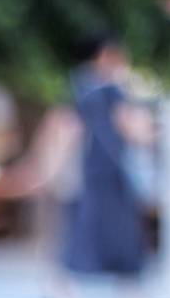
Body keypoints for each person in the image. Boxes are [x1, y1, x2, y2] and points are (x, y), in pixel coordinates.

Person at [61, 33, 151, 281]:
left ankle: (67, 284)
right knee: (123, 230)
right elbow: (131, 129)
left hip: (92, 170)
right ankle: (131, 291)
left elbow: (69, 129)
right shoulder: (112, 91)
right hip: (114, 170)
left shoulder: (81, 88)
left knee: (87, 226)